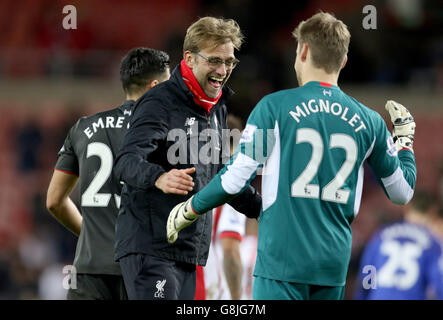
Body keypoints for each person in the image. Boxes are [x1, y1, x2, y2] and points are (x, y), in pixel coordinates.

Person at [167, 12, 417, 300]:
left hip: (281, 264)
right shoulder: (371, 122)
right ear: (343, 61)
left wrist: (190, 209)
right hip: (332, 267)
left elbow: (236, 177)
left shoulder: (274, 108)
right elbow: (402, 192)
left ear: (304, 51)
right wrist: (404, 142)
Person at [113, 17, 262, 300]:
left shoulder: (215, 108)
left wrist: (264, 210)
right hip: (152, 246)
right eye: (215, 61)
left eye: (230, 62)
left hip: (187, 252)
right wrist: (159, 177)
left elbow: (222, 177)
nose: (223, 70)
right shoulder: (160, 102)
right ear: (190, 59)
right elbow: (126, 161)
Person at [46, 47, 171, 300]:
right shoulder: (166, 134)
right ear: (155, 86)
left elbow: (54, 201)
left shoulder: (83, 127)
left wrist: (92, 234)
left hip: (88, 273)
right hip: (143, 271)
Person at [354, 190, 443, 300]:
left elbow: (366, 275)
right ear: (432, 212)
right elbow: (439, 285)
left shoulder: (381, 235)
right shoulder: (431, 243)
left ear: (407, 208)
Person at [195, 114, 247, 300]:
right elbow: (229, 248)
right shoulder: (231, 184)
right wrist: (236, 299)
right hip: (209, 289)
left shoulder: (191, 178)